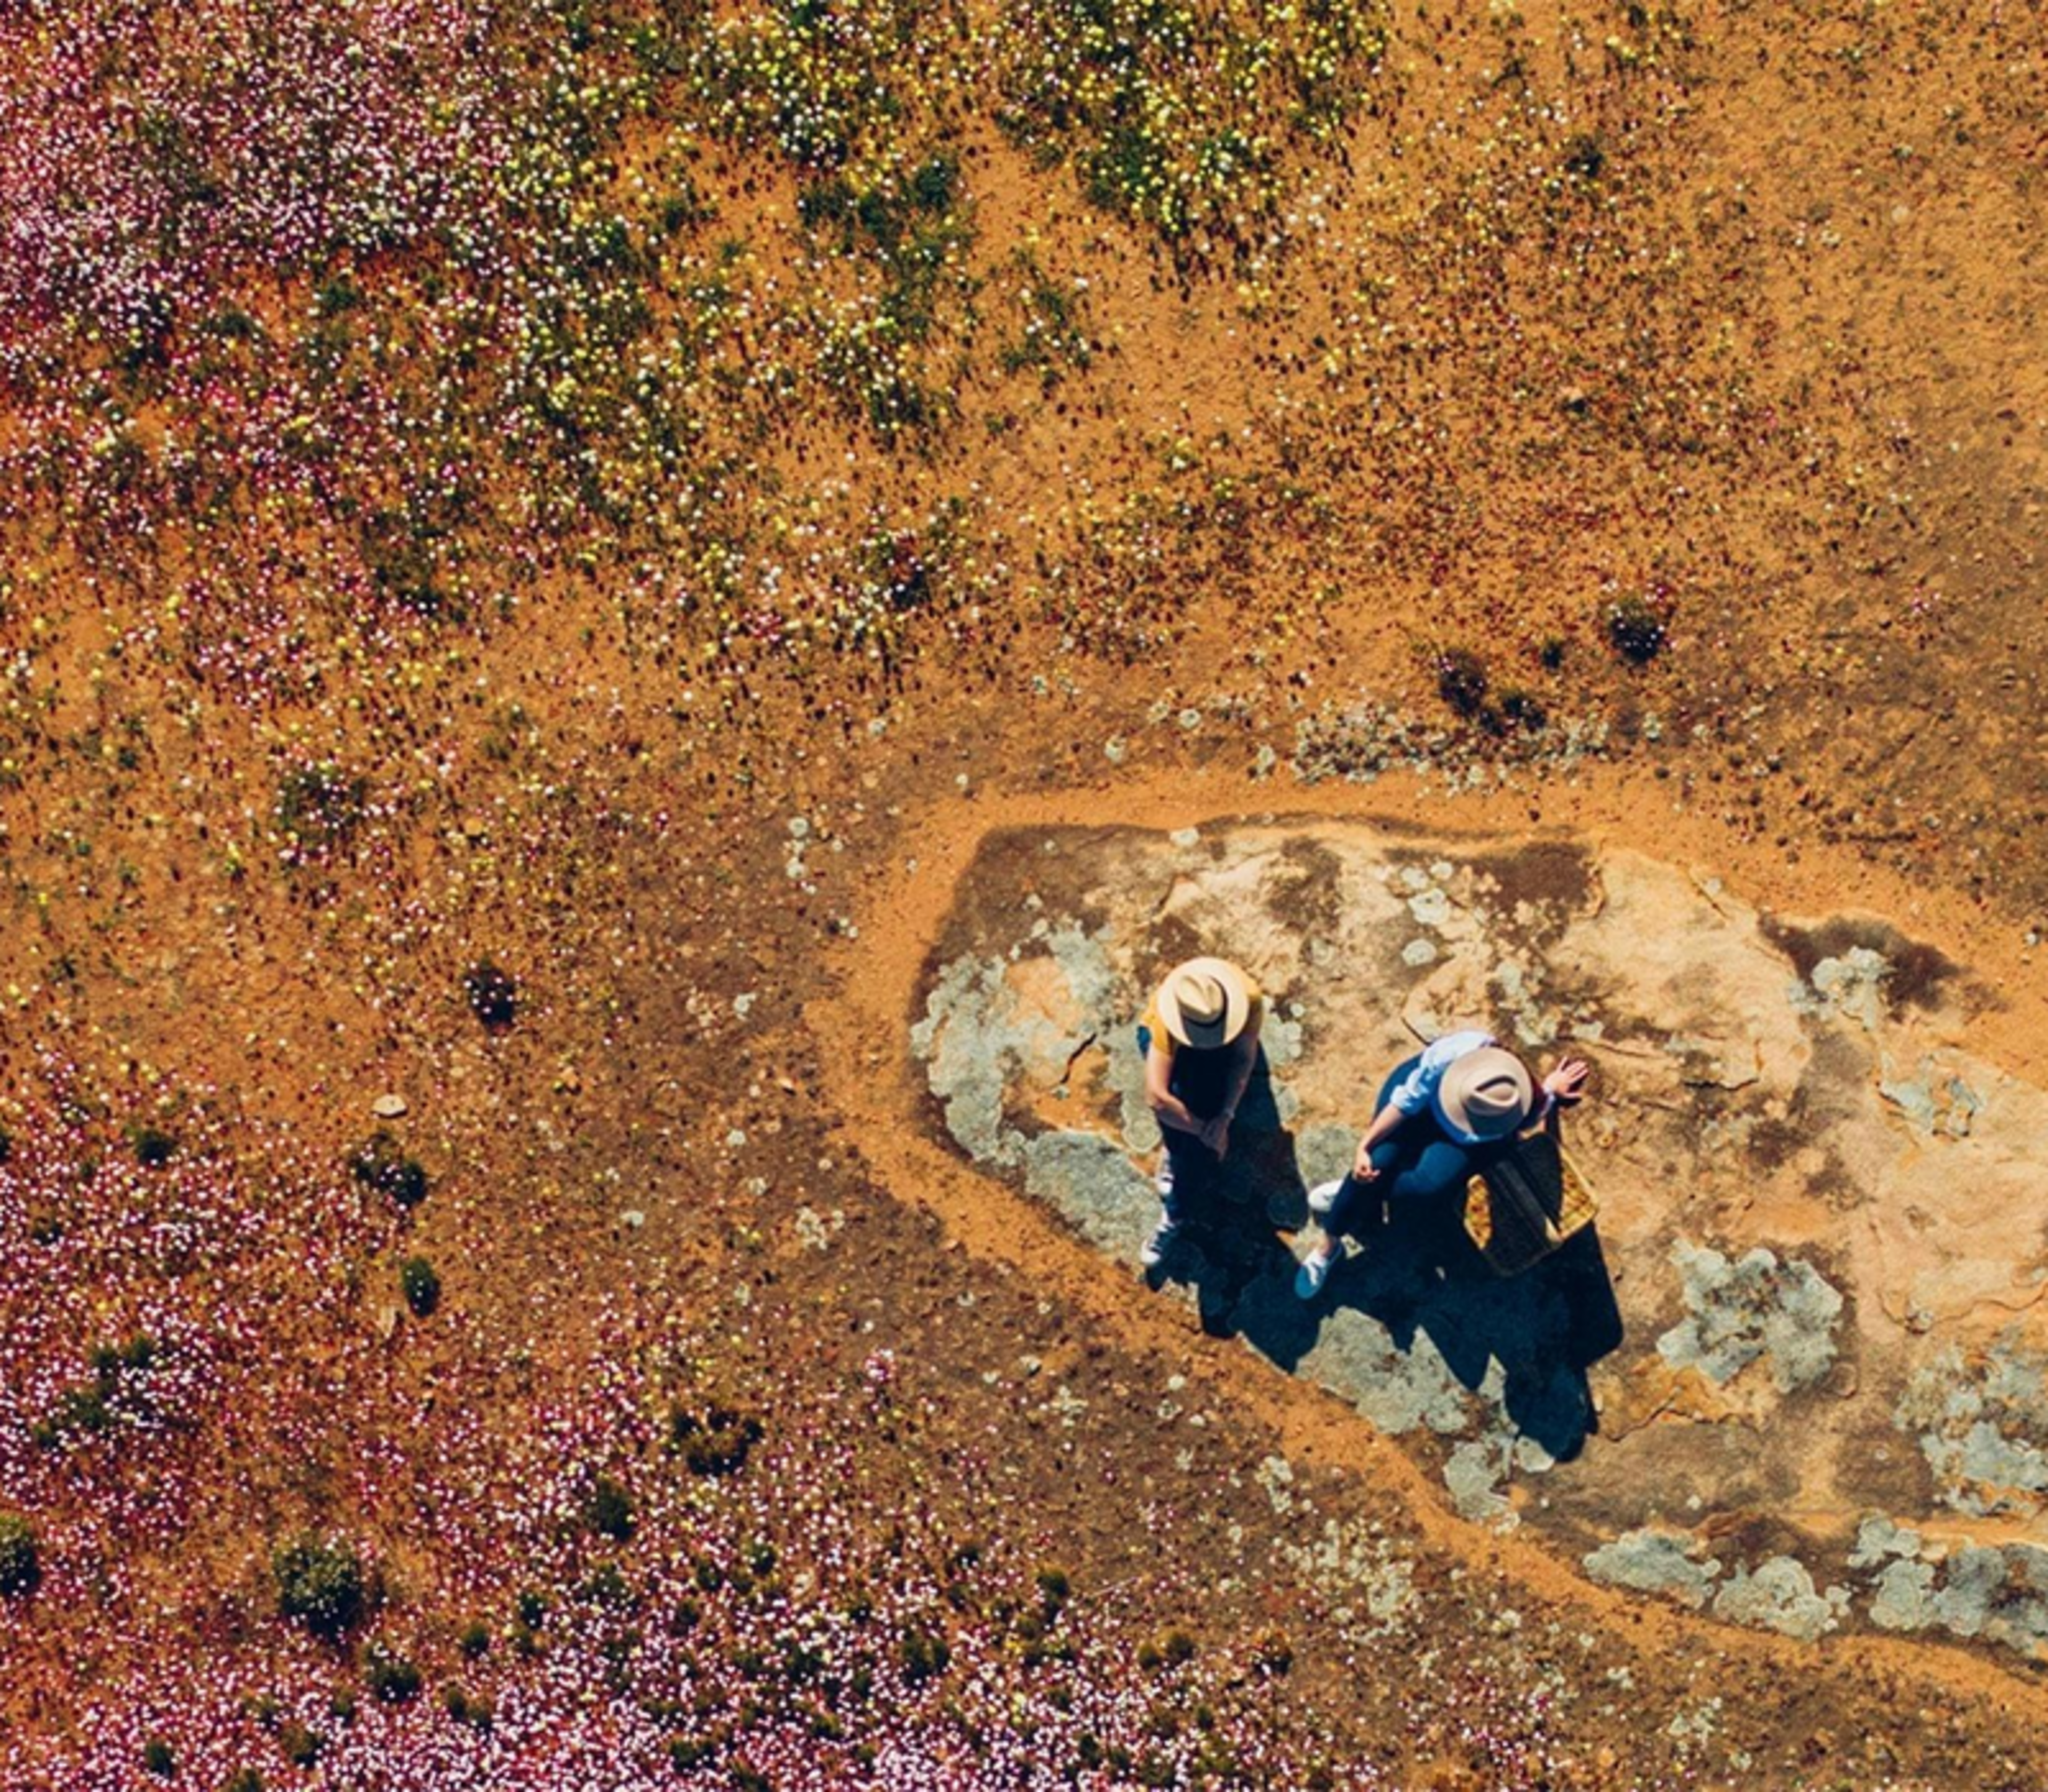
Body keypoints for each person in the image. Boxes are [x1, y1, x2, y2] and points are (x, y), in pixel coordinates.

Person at [1294, 1030, 1589, 1299]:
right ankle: (1330, 1246)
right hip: (1418, 1107)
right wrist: (1365, 1146)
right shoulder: (1451, 1056)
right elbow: (1406, 1103)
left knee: (1427, 1187)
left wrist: (1551, 1089)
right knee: (1379, 1160)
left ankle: (1357, 1191)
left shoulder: (1521, 1101)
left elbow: (1537, 1114)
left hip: (1454, 1141)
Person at [1137, 956, 1264, 1269]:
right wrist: (1206, 1131)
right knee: (1185, 1111)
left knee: (1200, 1104)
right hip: (1174, 1051)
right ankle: (1177, 1193)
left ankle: (1178, 1176)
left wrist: (1225, 1115)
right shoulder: (1168, 1020)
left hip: (1219, 1051)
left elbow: (1244, 1058)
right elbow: (1157, 1096)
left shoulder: (1248, 998)